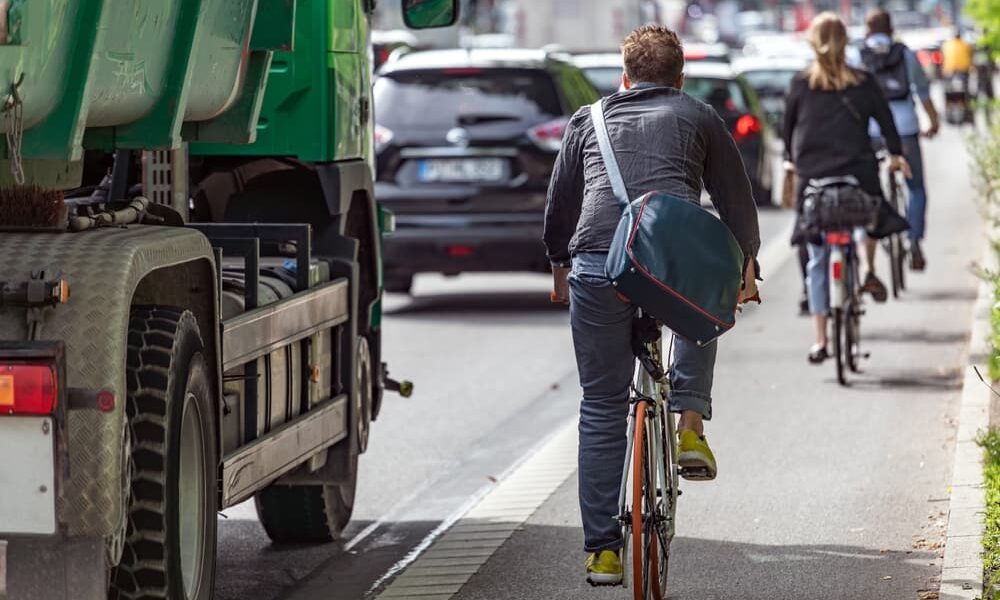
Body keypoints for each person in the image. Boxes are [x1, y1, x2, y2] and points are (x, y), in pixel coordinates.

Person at [543, 24, 761, 585]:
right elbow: (735, 197)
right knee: (701, 292)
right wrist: (747, 265)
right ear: (680, 78)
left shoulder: (587, 120)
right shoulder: (699, 116)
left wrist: (558, 265)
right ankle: (690, 422)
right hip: (666, 260)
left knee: (600, 404)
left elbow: (562, 200)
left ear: (625, 76)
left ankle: (604, 552)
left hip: (597, 262)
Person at [783, 12, 909, 363]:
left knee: (815, 255)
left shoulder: (800, 83)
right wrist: (896, 155)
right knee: (872, 211)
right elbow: (886, 124)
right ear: (846, 41)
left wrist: (791, 162)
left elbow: (788, 130)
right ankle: (867, 269)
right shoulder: (864, 81)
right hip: (858, 172)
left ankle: (821, 340)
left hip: (813, 176)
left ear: (813, 42)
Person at [861, 9, 939, 271]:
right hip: (905, 129)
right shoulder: (905, 55)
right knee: (915, 187)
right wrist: (933, 122)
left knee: (870, 189)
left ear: (867, 31)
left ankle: (875, 230)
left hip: (871, 132)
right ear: (891, 29)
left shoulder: (858, 55)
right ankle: (914, 239)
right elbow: (923, 92)